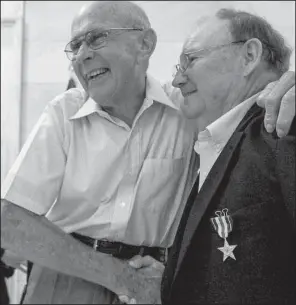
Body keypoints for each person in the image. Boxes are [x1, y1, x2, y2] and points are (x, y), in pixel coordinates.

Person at [1, 2, 295, 304]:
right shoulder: (63, 112)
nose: (82, 54)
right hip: (69, 282)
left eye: (96, 38)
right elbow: (8, 220)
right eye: (74, 45)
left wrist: (288, 85)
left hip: (156, 284)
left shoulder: (186, 108)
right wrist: (122, 277)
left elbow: (248, 97)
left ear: (145, 44)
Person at [126, 8, 296, 305]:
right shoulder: (217, 145)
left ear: (249, 56)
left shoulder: (284, 126)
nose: (178, 80)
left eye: (189, 60)